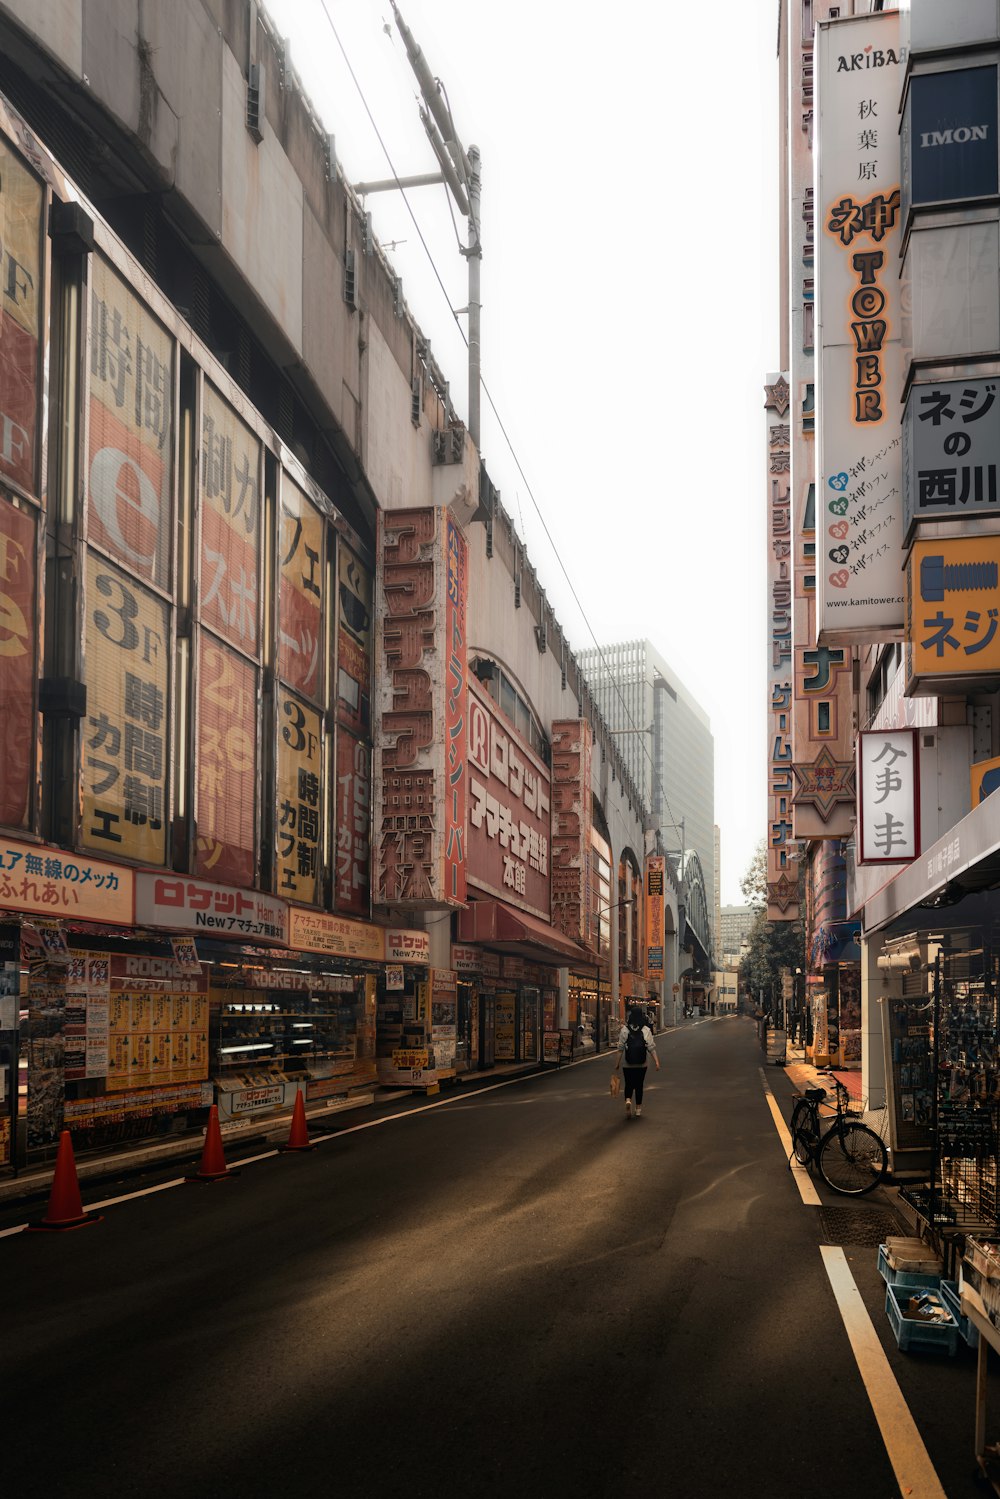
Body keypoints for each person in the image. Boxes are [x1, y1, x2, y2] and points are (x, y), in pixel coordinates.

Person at [614, 1004, 660, 1119]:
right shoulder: (646, 1030)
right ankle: (638, 1109)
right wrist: (657, 1062)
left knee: (629, 1084)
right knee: (639, 1085)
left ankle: (628, 1100)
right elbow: (651, 1048)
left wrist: (617, 1063)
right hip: (642, 1063)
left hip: (627, 1063)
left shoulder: (625, 1029)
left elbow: (620, 1049)